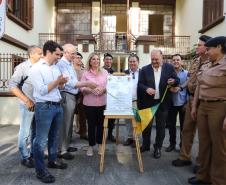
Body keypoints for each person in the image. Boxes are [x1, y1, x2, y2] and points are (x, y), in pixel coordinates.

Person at [188, 36, 226, 185]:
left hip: (219, 107)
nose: (207, 52)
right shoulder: (206, 65)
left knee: (219, 147)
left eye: (209, 49)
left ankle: (219, 180)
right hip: (203, 106)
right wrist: (195, 106)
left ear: (219, 47)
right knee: (203, 144)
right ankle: (203, 176)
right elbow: (199, 87)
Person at [30, 40, 68, 183]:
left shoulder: (55, 68)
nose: (59, 57)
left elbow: (57, 87)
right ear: (48, 52)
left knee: (54, 136)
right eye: (56, 54)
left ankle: (52, 161)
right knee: (40, 141)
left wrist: (61, 83)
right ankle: (40, 171)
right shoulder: (36, 68)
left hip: (57, 106)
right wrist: (57, 82)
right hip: (44, 107)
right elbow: (42, 90)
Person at [172, 35, 211, 169]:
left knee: (203, 134)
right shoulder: (195, 61)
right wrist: (181, 87)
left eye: (200, 45)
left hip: (204, 100)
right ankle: (184, 157)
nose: (197, 46)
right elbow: (191, 78)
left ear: (207, 47)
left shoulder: (212, 62)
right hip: (191, 99)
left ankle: (202, 164)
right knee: (187, 129)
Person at [57, 44, 96, 160]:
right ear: (66, 53)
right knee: (65, 124)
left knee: (69, 123)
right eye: (73, 53)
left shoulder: (69, 64)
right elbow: (70, 83)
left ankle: (66, 146)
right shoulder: (62, 64)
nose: (75, 56)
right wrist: (87, 84)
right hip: (66, 95)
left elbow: (74, 81)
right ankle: (62, 150)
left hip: (72, 96)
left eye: (75, 53)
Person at [137, 49, 179, 159]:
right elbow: (140, 85)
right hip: (148, 103)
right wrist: (146, 89)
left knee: (161, 127)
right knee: (146, 126)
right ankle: (146, 145)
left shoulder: (169, 68)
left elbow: (177, 79)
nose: (154, 61)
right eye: (152, 59)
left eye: (156, 59)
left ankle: (158, 147)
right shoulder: (145, 69)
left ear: (162, 58)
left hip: (163, 103)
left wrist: (173, 81)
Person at [9, 45, 42, 168]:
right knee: (25, 132)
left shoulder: (42, 67)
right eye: (39, 53)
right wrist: (27, 100)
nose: (42, 55)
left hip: (39, 105)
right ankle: (25, 156)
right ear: (31, 54)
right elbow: (12, 85)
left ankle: (33, 153)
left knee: (36, 132)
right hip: (27, 105)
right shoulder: (22, 67)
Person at [81, 52, 108, 156]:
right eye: (93, 59)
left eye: (97, 59)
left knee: (101, 125)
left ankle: (101, 145)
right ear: (90, 61)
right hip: (89, 104)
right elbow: (81, 87)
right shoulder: (85, 73)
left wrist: (103, 89)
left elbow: (110, 85)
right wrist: (89, 89)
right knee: (91, 125)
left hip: (102, 103)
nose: (96, 61)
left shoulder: (105, 72)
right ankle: (91, 146)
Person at [165, 54, 188, 152]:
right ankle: (172, 144)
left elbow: (189, 87)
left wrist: (180, 87)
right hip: (171, 103)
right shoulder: (168, 73)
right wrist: (170, 87)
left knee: (184, 127)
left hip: (183, 103)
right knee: (171, 126)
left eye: (178, 60)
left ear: (181, 61)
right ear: (171, 62)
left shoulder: (186, 73)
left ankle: (182, 145)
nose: (176, 61)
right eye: (174, 60)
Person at [123, 53, 140, 147]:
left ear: (138, 62)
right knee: (128, 121)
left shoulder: (142, 73)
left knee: (137, 121)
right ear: (128, 62)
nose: (132, 63)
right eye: (130, 61)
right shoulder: (124, 73)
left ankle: (136, 138)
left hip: (138, 101)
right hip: (126, 102)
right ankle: (129, 137)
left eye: (134, 61)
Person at [73, 51, 87, 140]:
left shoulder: (84, 71)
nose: (78, 59)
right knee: (70, 116)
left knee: (83, 115)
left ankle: (83, 133)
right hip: (71, 94)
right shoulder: (70, 69)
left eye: (79, 58)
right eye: (77, 57)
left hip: (82, 95)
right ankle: (68, 134)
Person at [103, 52, 116, 142]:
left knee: (112, 118)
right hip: (102, 97)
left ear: (112, 61)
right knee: (101, 117)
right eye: (107, 59)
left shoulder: (115, 71)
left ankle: (110, 134)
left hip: (112, 98)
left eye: (110, 59)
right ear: (104, 61)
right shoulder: (100, 70)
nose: (108, 61)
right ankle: (101, 135)